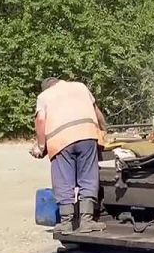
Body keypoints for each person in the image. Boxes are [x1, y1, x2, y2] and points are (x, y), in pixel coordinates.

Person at [31, 77, 107, 233]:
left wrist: (40, 146)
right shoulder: (80, 86)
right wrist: (104, 130)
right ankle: (87, 221)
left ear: (46, 88)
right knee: (88, 177)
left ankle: (66, 223)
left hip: (60, 140)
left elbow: (40, 120)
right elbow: (96, 112)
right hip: (87, 135)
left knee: (63, 179)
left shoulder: (44, 96)